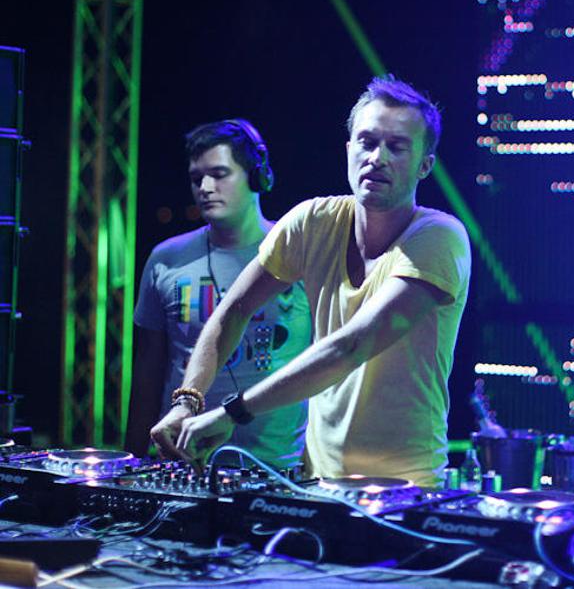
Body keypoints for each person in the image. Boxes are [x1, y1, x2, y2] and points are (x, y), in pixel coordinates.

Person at [150, 76, 471, 487]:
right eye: (367, 142)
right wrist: (188, 401)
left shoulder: (440, 237)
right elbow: (233, 309)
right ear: (349, 149)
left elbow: (351, 346)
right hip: (317, 484)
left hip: (406, 490)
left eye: (397, 146)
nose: (377, 157)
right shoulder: (312, 222)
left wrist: (233, 412)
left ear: (425, 165)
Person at [127, 120, 311, 469]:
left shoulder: (298, 253)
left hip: (281, 465)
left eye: (219, 174)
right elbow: (148, 370)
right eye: (196, 178)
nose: (205, 188)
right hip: (183, 461)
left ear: (255, 175)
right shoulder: (166, 259)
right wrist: (133, 460)